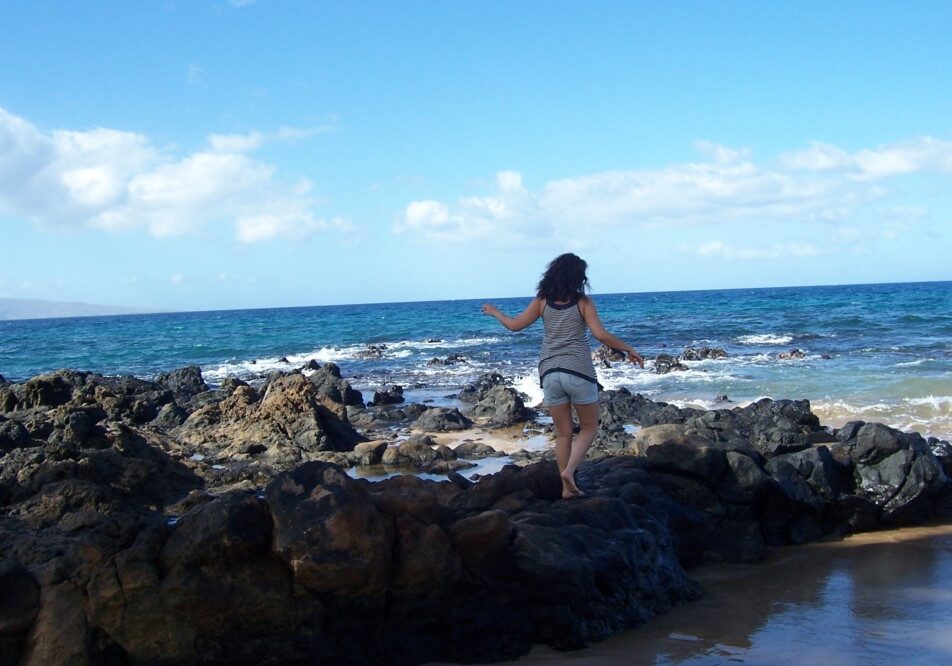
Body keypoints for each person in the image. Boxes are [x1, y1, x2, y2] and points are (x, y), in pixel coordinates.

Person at [482, 253, 644, 499]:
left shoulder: (542, 301)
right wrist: (628, 348)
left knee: (563, 434)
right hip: (577, 371)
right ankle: (569, 472)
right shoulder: (583, 302)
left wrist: (495, 312)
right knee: (588, 428)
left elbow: (514, 325)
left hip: (549, 374)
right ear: (578, 277)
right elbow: (601, 335)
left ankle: (566, 490)